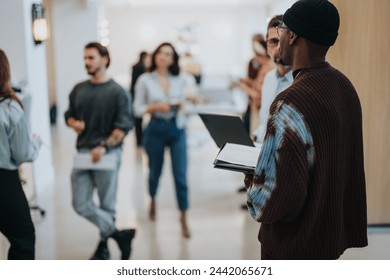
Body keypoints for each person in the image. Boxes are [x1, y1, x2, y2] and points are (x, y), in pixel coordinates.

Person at [244, 0, 367, 259]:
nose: (278, 39)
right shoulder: (344, 87)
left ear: (293, 35)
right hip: (329, 239)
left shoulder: (290, 102)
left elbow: (273, 200)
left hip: (295, 247)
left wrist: (251, 176)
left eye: (281, 32)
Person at [64, 42, 135, 260]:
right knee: (80, 203)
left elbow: (123, 127)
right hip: (83, 154)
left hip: (108, 154)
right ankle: (119, 235)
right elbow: (69, 114)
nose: (87, 62)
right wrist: (73, 122)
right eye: (85, 58)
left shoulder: (117, 92)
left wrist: (103, 147)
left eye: (91, 58)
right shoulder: (79, 89)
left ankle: (103, 247)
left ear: (105, 59)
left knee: (107, 203)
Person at [133, 42, 190, 238]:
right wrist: (155, 107)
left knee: (180, 176)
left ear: (173, 59)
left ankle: (183, 217)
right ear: (155, 56)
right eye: (161, 53)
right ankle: (153, 199)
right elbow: (137, 109)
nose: (164, 57)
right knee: (154, 173)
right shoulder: (144, 80)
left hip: (177, 128)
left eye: (168, 54)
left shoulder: (182, 79)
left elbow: (190, 102)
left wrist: (184, 105)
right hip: (155, 128)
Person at [239, 15, 294, 209]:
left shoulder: (301, 82)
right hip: (262, 163)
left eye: (282, 41)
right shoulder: (269, 79)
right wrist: (249, 140)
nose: (277, 48)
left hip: (287, 166)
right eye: (272, 42)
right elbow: (265, 120)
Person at [0, 49, 42, 259]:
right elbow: (23, 153)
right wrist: (36, 143)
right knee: (23, 238)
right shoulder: (9, 108)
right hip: (4, 183)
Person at [130, 51, 151, 147]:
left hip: (134, 93)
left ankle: (139, 139)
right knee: (138, 118)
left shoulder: (134, 67)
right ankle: (140, 139)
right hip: (138, 94)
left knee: (137, 119)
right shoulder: (142, 69)